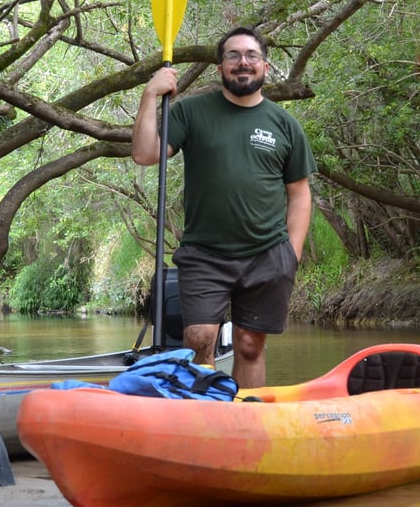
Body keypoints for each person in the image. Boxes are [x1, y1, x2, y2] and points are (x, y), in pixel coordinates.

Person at [131, 27, 317, 388]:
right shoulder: (191, 112)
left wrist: (291, 253)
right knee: (199, 340)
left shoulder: (285, 124)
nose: (242, 62)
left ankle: (247, 427)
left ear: (265, 65)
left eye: (251, 55)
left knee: (249, 345)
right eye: (233, 55)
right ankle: (205, 422)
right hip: (205, 254)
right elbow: (144, 153)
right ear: (220, 67)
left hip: (267, 255)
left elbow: (299, 193)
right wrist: (150, 94)